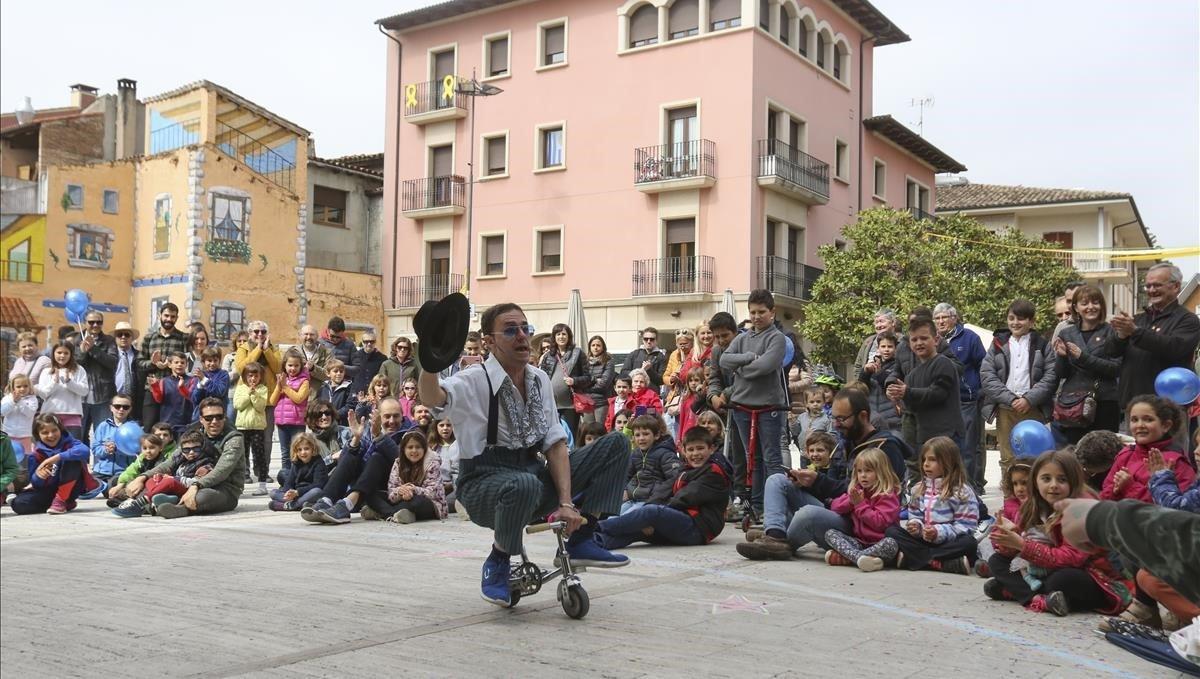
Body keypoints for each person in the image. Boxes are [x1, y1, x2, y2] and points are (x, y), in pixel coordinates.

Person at [417, 302, 631, 607]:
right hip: (482, 484)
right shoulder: (473, 378)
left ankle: (584, 537)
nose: (521, 336)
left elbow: (555, 443)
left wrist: (567, 504)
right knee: (523, 483)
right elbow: (433, 397)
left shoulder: (538, 378)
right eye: (509, 330)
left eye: (524, 328)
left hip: (531, 475)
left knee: (617, 445)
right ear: (489, 341)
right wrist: (431, 360)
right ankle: (499, 559)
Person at [736, 389, 909, 561]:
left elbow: (880, 494)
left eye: (841, 419)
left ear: (863, 416)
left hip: (861, 525)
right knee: (777, 480)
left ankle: (778, 539)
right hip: (840, 507)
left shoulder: (885, 447)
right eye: (833, 418)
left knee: (808, 514)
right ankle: (774, 533)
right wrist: (809, 482)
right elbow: (836, 489)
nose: (835, 424)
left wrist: (818, 482)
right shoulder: (846, 441)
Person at [985, 449, 1132, 616]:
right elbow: (1020, 545)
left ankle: (1015, 590)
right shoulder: (1032, 504)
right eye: (1046, 479)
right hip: (1042, 567)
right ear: (1036, 481)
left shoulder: (1082, 508)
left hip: (1089, 574)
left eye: (1062, 479)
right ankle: (1038, 599)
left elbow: (1071, 559)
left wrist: (1021, 545)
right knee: (997, 561)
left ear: (1074, 481)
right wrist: (1006, 540)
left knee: (1062, 580)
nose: (1053, 485)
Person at [594, 426, 730, 549]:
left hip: (699, 529)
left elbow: (685, 498)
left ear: (711, 449)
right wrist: (647, 513)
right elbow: (663, 490)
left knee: (652, 512)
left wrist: (652, 518)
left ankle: (595, 528)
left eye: (700, 448)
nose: (695, 454)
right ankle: (595, 541)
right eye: (691, 449)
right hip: (682, 523)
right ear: (683, 451)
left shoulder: (713, 473)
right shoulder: (685, 469)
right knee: (638, 531)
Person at [720, 289, 789, 513]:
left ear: (772, 312)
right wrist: (748, 358)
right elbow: (724, 360)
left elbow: (766, 366)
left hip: (769, 407)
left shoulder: (777, 338)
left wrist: (740, 370)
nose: (757, 316)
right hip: (741, 406)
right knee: (752, 460)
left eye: (761, 312)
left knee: (772, 458)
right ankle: (757, 505)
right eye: (753, 312)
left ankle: (776, 507)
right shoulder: (742, 338)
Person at [121, 397, 245, 519]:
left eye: (219, 417)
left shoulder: (234, 439)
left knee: (202, 498)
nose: (214, 421)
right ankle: (160, 502)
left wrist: (196, 486)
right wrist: (142, 477)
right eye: (209, 418)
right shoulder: (195, 436)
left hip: (224, 489)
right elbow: (170, 463)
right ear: (201, 419)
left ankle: (171, 508)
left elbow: (221, 471)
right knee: (145, 484)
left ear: (225, 417)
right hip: (189, 484)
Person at [1106, 262, 1200, 418]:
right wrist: (1121, 335)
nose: (1151, 290)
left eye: (1157, 285)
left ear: (1175, 286)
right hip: (1133, 406)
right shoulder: (1138, 319)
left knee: (1170, 444)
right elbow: (1110, 351)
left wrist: (1135, 332)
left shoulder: (1188, 320)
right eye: (1148, 286)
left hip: (1168, 409)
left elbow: (1173, 348)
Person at [300, 398, 412, 524]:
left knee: (377, 457)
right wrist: (356, 439)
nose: (392, 421)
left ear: (403, 415)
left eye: (396, 416)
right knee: (351, 454)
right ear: (379, 416)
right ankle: (326, 500)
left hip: (391, 484)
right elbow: (346, 459)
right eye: (387, 416)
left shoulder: (410, 432)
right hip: (365, 481)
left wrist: (380, 437)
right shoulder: (369, 429)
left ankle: (346, 505)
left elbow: (404, 462)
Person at [981, 299, 1057, 477]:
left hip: (1033, 408)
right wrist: (1011, 399)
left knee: (1035, 458)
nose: (1015, 323)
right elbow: (987, 375)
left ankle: (1034, 500)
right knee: (1007, 458)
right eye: (1011, 318)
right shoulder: (997, 344)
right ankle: (1009, 500)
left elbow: (1051, 376)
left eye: (1021, 319)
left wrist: (1028, 399)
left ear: (1032, 321)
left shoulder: (1042, 345)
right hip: (1005, 409)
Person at [883, 436, 979, 574]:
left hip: (948, 542)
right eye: (924, 460)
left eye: (932, 460)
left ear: (948, 462)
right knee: (891, 531)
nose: (926, 464)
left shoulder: (962, 491)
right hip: (923, 541)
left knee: (969, 543)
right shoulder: (918, 489)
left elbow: (967, 527)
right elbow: (915, 516)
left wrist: (938, 532)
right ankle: (940, 563)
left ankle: (916, 559)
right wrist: (916, 526)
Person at [1052, 285, 1122, 443]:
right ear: (1076, 307)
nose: (1091, 307)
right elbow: (1062, 373)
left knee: (1105, 451)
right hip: (1073, 403)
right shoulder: (1066, 333)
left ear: (1102, 305)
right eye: (1085, 303)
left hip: (1104, 401)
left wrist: (1082, 357)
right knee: (1075, 454)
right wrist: (1061, 357)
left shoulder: (1112, 331)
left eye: (1095, 302)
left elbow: (1115, 368)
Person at [886, 317, 964, 451]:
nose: (919, 343)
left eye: (924, 338)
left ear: (936, 340)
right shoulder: (911, 376)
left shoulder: (943, 363)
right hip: (925, 438)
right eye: (914, 340)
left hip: (947, 436)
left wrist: (907, 392)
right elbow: (911, 406)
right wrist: (897, 396)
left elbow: (938, 393)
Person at [933, 303, 987, 493]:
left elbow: (984, 365)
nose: (940, 321)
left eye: (944, 317)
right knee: (942, 448)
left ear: (954, 318)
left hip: (966, 401)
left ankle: (969, 489)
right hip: (939, 403)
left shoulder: (970, 338)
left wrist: (979, 391)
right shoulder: (932, 340)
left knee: (967, 449)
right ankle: (946, 488)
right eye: (937, 318)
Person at [822, 448, 902, 572]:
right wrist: (851, 502)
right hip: (859, 541)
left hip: (880, 542)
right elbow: (835, 507)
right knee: (830, 533)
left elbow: (880, 523)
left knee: (891, 544)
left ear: (881, 472)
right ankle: (862, 559)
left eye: (868, 471)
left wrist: (860, 505)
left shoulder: (888, 495)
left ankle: (851, 558)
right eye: (859, 471)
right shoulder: (858, 491)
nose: (863, 475)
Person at [1102, 395, 1194, 503]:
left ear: (1166, 425)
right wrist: (1115, 490)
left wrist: (1130, 487)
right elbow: (1104, 495)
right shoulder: (1125, 454)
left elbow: (1173, 507)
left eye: (1148, 419)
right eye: (1134, 420)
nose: (1140, 425)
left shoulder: (1176, 462)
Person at [112, 430, 216, 517]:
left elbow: (197, 482)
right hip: (172, 490)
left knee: (170, 481)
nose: (191, 452)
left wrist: (174, 478)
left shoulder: (206, 463)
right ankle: (159, 503)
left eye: (196, 449)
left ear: (202, 448)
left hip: (188, 490)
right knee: (150, 479)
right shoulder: (181, 461)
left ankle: (137, 504)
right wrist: (160, 477)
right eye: (186, 450)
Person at [10, 414, 92, 514]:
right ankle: (63, 504)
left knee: (72, 459)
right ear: (38, 435)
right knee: (18, 504)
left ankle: (62, 500)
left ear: (60, 430)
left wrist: (56, 458)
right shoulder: (35, 455)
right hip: (49, 491)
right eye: (45, 432)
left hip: (70, 489)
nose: (51, 435)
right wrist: (39, 476)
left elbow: (85, 451)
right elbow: (35, 483)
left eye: (54, 430)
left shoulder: (70, 443)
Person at [372, 429, 447, 523]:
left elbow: (432, 492)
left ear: (424, 449)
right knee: (371, 494)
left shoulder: (432, 463)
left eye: (418, 447)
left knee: (415, 502)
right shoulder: (398, 463)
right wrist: (400, 491)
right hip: (401, 500)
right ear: (404, 449)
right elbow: (391, 489)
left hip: (428, 502)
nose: (414, 451)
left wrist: (413, 489)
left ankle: (382, 512)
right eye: (410, 447)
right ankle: (394, 514)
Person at [234, 320, 282, 460]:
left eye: (263, 332)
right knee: (246, 437)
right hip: (247, 398)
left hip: (267, 399)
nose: (260, 334)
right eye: (256, 332)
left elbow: (278, 368)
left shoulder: (274, 348)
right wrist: (258, 349)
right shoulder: (243, 348)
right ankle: (245, 470)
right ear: (250, 334)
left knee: (266, 437)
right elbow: (242, 368)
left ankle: (263, 470)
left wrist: (266, 350)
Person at [137, 304, 188, 427]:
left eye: (172, 316)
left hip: (174, 390)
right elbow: (139, 363)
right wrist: (153, 363)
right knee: (149, 427)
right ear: (160, 316)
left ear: (177, 318)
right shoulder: (149, 338)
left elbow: (187, 362)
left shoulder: (183, 338)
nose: (169, 319)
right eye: (166, 315)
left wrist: (172, 366)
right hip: (151, 388)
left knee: (171, 427)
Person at [539, 323, 589, 442]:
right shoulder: (548, 356)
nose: (561, 337)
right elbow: (543, 378)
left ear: (569, 337)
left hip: (570, 405)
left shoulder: (578, 353)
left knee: (570, 436)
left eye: (564, 334)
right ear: (554, 337)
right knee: (552, 436)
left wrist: (574, 381)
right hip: (551, 404)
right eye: (558, 334)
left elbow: (588, 377)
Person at [622, 414, 681, 514]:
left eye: (645, 434)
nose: (641, 438)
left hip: (651, 502)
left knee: (618, 522)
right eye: (637, 435)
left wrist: (654, 497)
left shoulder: (665, 454)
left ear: (656, 435)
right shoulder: (636, 453)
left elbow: (674, 479)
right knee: (611, 516)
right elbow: (626, 475)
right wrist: (624, 489)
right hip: (633, 499)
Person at [75, 310, 117, 444]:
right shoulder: (76, 340)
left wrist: (93, 349)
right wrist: (82, 352)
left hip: (102, 395)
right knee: (78, 435)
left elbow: (112, 362)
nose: (95, 325)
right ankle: (79, 464)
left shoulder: (109, 340)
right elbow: (74, 364)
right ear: (84, 323)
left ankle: (100, 464)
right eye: (91, 322)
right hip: (80, 396)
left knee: (102, 435)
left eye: (98, 322)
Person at [271, 348, 311, 477]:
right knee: (284, 452)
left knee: (298, 451)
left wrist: (285, 387)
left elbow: (299, 398)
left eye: (296, 365)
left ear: (301, 366)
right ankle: (285, 478)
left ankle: (299, 477)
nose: (293, 368)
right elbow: (272, 401)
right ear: (284, 365)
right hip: (282, 422)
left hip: (296, 422)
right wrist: (279, 386)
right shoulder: (282, 380)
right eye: (290, 365)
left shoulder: (304, 381)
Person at [36, 341, 89, 438]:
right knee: (50, 449)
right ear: (53, 354)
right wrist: (54, 383)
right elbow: (43, 394)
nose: (62, 356)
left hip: (72, 414)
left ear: (71, 354)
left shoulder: (79, 369)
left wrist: (69, 382)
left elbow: (84, 391)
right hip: (50, 415)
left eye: (66, 353)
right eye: (59, 352)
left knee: (72, 449)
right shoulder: (46, 371)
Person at [268, 432, 329, 511]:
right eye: (299, 450)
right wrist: (288, 492)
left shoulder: (318, 462)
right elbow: (289, 482)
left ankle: (291, 505)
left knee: (317, 492)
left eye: (306, 449)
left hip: (308, 492)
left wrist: (297, 492)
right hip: (296, 495)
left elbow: (318, 484)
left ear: (313, 448)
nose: (303, 452)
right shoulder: (297, 463)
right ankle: (300, 504)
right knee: (273, 493)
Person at [234, 362, 270, 493]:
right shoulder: (240, 388)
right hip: (242, 427)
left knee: (259, 455)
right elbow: (238, 405)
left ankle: (262, 484)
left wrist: (254, 394)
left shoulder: (262, 389)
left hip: (257, 428)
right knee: (242, 456)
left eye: (256, 376)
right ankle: (240, 482)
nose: (253, 379)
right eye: (250, 376)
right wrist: (248, 393)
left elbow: (260, 406)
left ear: (260, 377)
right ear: (245, 376)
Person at [89, 392, 138, 488]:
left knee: (113, 489)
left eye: (125, 407)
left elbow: (136, 451)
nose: (121, 409)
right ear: (111, 408)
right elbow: (95, 449)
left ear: (130, 409)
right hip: (101, 470)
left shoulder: (134, 428)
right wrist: (106, 450)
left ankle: (109, 487)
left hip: (123, 471)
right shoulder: (103, 426)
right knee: (83, 490)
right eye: (117, 406)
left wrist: (117, 449)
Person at [105, 432, 168, 505]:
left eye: (152, 447)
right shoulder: (141, 459)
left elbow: (156, 477)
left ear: (160, 448)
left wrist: (137, 482)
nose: (148, 451)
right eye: (144, 448)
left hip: (151, 486)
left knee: (144, 488)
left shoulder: (162, 461)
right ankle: (124, 497)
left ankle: (132, 501)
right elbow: (130, 471)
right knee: (114, 481)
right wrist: (120, 485)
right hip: (138, 483)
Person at [858, 331, 900, 433]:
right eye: (883, 346)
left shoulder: (898, 365)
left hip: (892, 419)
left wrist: (878, 372)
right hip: (872, 418)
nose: (886, 350)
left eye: (890, 346)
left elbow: (888, 383)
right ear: (878, 348)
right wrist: (866, 372)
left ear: (895, 348)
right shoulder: (874, 363)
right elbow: (862, 386)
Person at [148, 352, 196, 437]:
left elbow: (191, 397)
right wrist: (155, 386)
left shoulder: (191, 380)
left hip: (185, 423)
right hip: (167, 422)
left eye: (182, 363)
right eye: (176, 362)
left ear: (186, 365)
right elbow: (159, 399)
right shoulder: (164, 381)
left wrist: (182, 387)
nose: (179, 365)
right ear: (170, 365)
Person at [580, 335, 615, 429]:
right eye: (593, 345)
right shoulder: (585, 361)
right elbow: (581, 381)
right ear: (589, 347)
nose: (595, 347)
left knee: (600, 430)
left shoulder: (608, 361)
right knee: (588, 430)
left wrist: (587, 385)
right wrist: (594, 379)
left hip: (601, 402)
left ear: (603, 347)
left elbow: (604, 384)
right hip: (586, 402)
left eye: (598, 345)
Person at [110, 322, 142, 422]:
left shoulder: (140, 356)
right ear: (115, 338)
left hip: (135, 400)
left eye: (127, 334)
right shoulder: (109, 355)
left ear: (132, 338)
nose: (123, 337)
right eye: (120, 335)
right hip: (114, 398)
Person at [429, 418, 460, 511]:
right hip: (436, 487)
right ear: (436, 427)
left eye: (448, 425)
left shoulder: (458, 446)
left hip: (453, 487)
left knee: (457, 497)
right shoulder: (432, 447)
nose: (445, 428)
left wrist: (450, 485)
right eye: (442, 425)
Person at [2, 374, 38, 453]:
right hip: (8, 434)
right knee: (9, 457)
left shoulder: (32, 399)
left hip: (25, 435)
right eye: (18, 386)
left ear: (29, 386)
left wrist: (19, 402)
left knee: (25, 457)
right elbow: (2, 412)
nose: (22, 389)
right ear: (13, 387)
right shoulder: (7, 398)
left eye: (25, 386)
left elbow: (30, 413)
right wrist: (13, 402)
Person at [791, 386, 833, 453]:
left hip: (818, 453)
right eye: (812, 402)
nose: (815, 404)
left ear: (824, 402)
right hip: (804, 453)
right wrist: (792, 421)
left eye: (818, 401)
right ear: (806, 404)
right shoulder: (801, 417)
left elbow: (831, 436)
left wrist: (818, 437)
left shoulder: (826, 419)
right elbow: (795, 432)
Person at [317, 358, 357, 426]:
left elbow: (350, 406)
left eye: (341, 371)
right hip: (325, 423)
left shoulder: (350, 387)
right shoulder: (323, 387)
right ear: (328, 373)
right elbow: (318, 404)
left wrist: (334, 415)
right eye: (335, 371)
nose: (339, 373)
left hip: (342, 424)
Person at [295, 324, 330, 399]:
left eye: (312, 334)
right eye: (306, 334)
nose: (308, 337)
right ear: (300, 336)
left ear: (317, 336)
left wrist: (313, 368)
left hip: (318, 399)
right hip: (296, 398)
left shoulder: (326, 352)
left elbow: (329, 375)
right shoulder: (293, 352)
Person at [348, 331, 385, 396]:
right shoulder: (354, 356)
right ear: (362, 342)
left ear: (375, 342)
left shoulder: (382, 358)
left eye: (372, 341)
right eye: (366, 341)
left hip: (375, 395)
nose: (369, 344)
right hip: (357, 394)